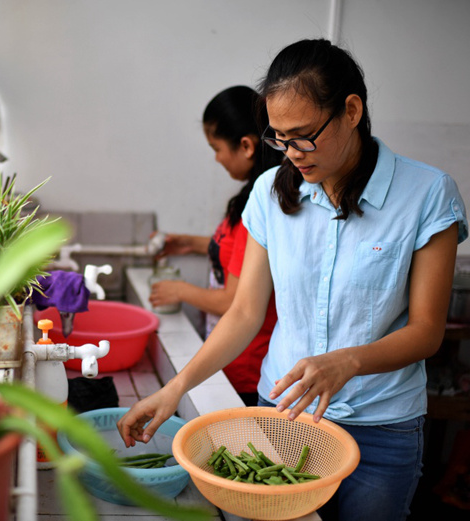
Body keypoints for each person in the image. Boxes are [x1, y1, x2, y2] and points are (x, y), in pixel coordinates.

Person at [118, 38, 468, 521]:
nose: (290, 154)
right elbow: (243, 312)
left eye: (302, 135)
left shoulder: (426, 194)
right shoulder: (268, 191)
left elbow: (427, 332)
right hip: (284, 416)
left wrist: (346, 362)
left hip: (381, 427)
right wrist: (175, 389)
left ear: (351, 110)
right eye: (278, 139)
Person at [148, 85, 283, 406]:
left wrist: (179, 290)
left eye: (217, 147)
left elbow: (233, 301)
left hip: (246, 366)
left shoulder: (261, 203)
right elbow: (239, 252)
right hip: (230, 358)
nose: (216, 158)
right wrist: (193, 244)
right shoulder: (249, 198)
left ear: (246, 146)